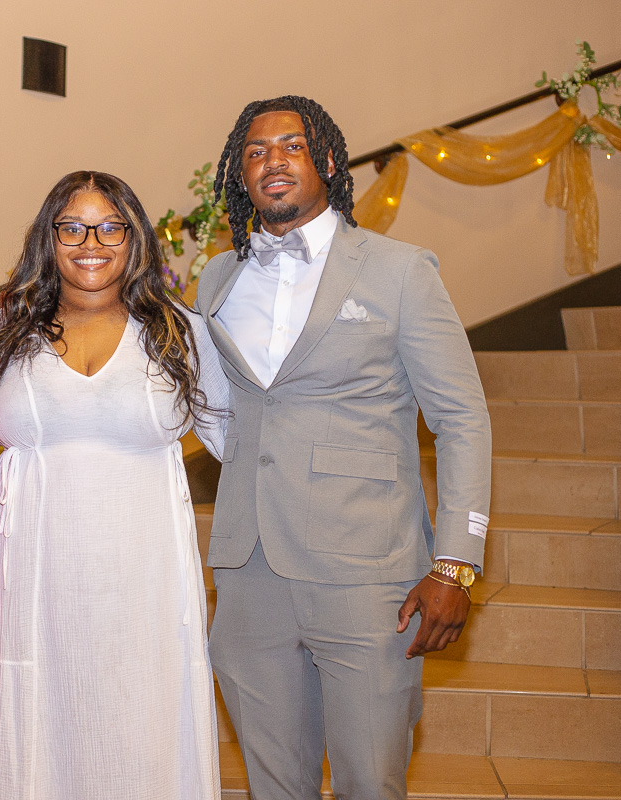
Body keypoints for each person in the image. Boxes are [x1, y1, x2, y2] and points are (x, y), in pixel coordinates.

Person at [195, 96, 492, 800]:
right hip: (248, 572)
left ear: (327, 160)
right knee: (274, 784)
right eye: (256, 151)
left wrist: (457, 564)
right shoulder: (218, 278)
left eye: (291, 146)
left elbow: (462, 418)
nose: (273, 161)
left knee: (370, 781)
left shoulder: (400, 270)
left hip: (367, 574)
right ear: (240, 173)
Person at [0, 171, 228, 800]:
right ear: (48, 239)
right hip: (24, 577)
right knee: (32, 720)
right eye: (71, 227)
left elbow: (238, 441)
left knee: (133, 721)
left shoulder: (180, 332)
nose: (90, 243)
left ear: (135, 238)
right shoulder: (2, 331)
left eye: (109, 228)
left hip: (142, 585)